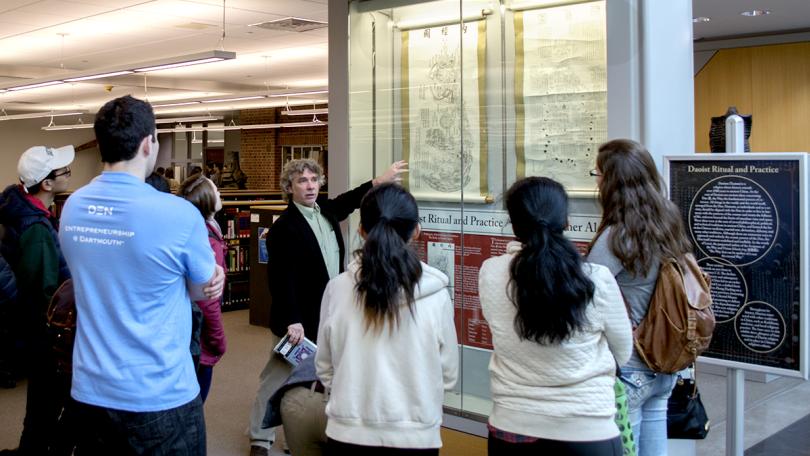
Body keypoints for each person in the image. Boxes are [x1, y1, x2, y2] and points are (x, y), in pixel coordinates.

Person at [58, 95, 225, 454]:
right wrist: (210, 277)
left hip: (90, 391)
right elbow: (202, 290)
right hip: (159, 395)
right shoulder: (178, 214)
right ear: (149, 143)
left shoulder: (72, 207)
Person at [247, 158, 407, 456]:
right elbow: (280, 280)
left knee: (319, 379)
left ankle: (299, 432)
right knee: (277, 377)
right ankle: (259, 438)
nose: (309, 186)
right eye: (301, 181)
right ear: (289, 188)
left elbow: (351, 199)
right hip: (296, 322)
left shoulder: (328, 212)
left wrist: (379, 181)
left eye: (313, 180)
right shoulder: (283, 228)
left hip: (329, 314)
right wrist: (292, 320)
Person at [479, 176, 632, 455]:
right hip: (587, 427)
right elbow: (623, 351)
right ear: (566, 222)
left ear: (513, 225)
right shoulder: (596, 278)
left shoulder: (490, 272)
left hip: (513, 423)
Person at [315, 183, 459, 455]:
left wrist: (349, 395)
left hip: (347, 431)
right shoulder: (436, 295)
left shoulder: (337, 289)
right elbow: (448, 374)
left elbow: (324, 366)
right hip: (416, 436)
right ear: (416, 230)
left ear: (361, 230)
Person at [586, 139, 694, 456]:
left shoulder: (618, 235)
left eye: (598, 175)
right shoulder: (668, 219)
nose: (598, 182)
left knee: (627, 446)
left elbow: (588, 291)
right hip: (665, 358)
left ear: (612, 181)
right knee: (654, 438)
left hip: (631, 363)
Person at [0, 145, 74, 455]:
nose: (69, 174)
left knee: (40, 407)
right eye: (64, 171)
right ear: (46, 183)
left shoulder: (20, 210)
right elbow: (40, 293)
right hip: (44, 338)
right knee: (46, 409)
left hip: (31, 336)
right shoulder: (37, 230)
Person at [178, 173, 228, 402]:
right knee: (197, 397)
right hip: (202, 338)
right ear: (206, 199)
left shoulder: (195, 229)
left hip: (191, 330)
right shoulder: (208, 242)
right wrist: (219, 340)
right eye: (215, 189)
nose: (219, 192)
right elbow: (208, 300)